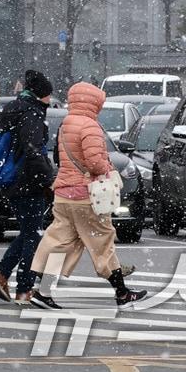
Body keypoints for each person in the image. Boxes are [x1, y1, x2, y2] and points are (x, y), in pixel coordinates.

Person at [28, 82, 147, 308]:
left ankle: (42, 292)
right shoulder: (90, 126)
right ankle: (122, 293)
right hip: (86, 195)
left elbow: (59, 158)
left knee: (59, 242)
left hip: (63, 194)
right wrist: (108, 168)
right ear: (93, 102)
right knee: (102, 242)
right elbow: (94, 162)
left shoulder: (66, 123)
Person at [0, 69, 57, 306]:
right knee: (33, 236)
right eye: (48, 95)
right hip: (28, 182)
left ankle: (2, 274)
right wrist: (50, 178)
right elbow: (33, 150)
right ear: (40, 95)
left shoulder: (13, 109)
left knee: (29, 231)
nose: (50, 99)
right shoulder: (32, 114)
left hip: (11, 180)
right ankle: (24, 289)